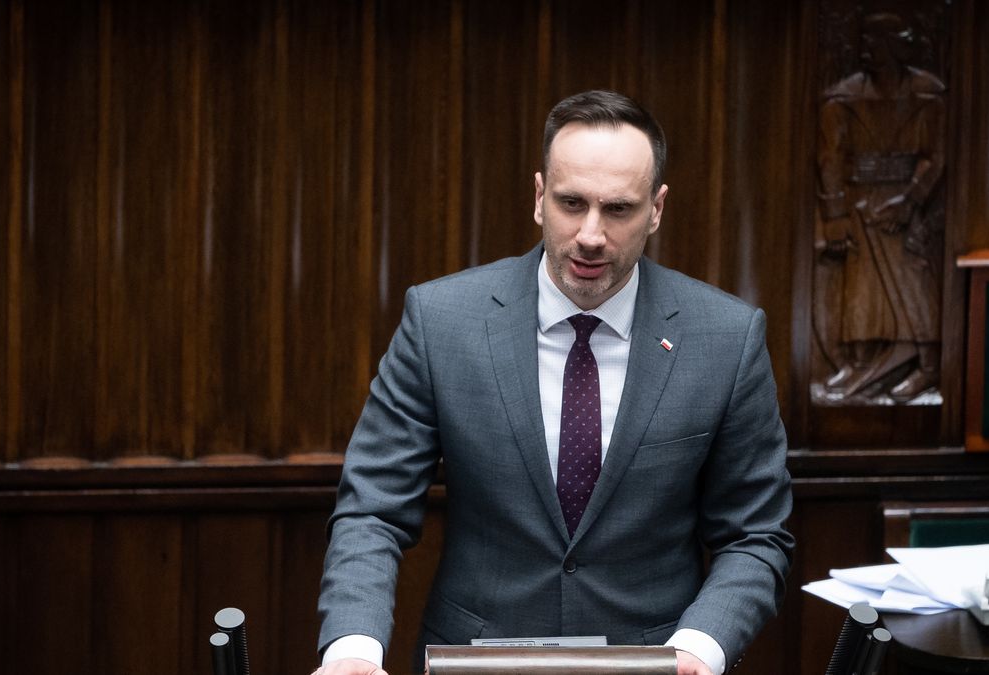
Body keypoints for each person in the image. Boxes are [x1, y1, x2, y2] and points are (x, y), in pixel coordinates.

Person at [315, 90, 794, 675]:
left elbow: (756, 536)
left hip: (655, 663)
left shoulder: (726, 338)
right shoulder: (441, 321)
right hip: (477, 660)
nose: (591, 235)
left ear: (657, 208)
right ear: (540, 198)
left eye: (618, 209)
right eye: (572, 203)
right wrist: (353, 650)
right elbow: (373, 510)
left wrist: (699, 648)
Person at [816, 12, 946, 402]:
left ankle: (926, 367)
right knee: (860, 287)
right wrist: (836, 216)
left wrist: (911, 201)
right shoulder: (843, 97)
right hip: (859, 203)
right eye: (864, 44)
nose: (867, 51)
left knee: (914, 281)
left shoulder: (928, 93)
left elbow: (937, 155)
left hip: (906, 206)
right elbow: (830, 161)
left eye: (876, 43)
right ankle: (861, 360)